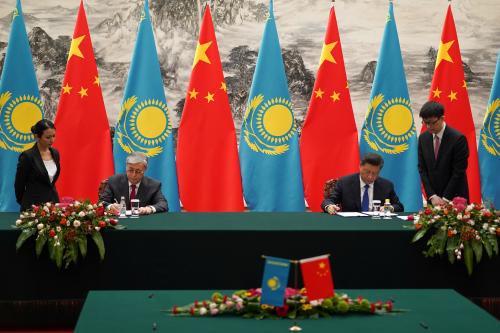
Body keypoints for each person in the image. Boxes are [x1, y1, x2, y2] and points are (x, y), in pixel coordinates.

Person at [418, 101, 469, 205]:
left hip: (455, 198)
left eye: (433, 123)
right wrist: (432, 195)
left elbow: (458, 171)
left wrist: (445, 198)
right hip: (433, 199)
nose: (429, 126)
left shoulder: (458, 139)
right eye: (425, 122)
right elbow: (422, 169)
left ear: (442, 118)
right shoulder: (423, 139)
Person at [321, 153, 404, 214]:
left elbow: (399, 206)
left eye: (375, 173)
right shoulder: (345, 182)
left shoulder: (386, 185)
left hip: (377, 226)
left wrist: (390, 208)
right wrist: (329, 207)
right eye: (367, 172)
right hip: (351, 226)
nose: (370, 177)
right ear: (360, 166)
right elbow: (328, 201)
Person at [100, 152, 168, 214]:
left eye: (138, 171)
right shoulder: (113, 181)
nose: (133, 175)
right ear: (126, 167)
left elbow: (163, 204)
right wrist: (110, 206)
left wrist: (149, 209)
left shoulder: (153, 185)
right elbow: (101, 202)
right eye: (130, 170)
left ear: (145, 170)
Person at [15, 119, 60, 212]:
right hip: (33, 207)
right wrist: (25, 203)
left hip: (53, 205)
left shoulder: (55, 153)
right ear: (37, 136)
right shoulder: (27, 156)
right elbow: (19, 184)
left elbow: (51, 182)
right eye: (48, 137)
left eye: (54, 136)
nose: (52, 140)